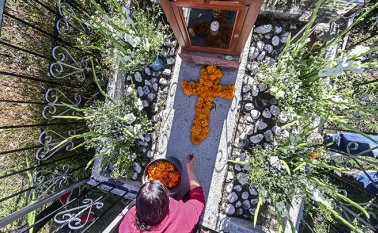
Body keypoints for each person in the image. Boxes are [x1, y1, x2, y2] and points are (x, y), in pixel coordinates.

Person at [119, 154, 206, 233]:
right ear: (168, 201)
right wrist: (189, 168)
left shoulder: (128, 222)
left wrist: (147, 187)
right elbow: (199, 199)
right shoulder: (183, 216)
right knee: (190, 194)